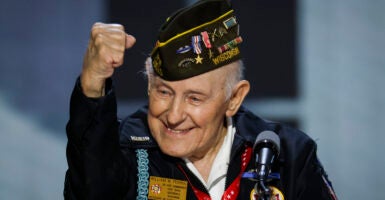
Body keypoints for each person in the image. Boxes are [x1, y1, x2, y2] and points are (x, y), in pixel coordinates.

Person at [64, 0, 337, 199]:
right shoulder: (124, 149)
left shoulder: (287, 155)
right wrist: (93, 81)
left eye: (194, 98)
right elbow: (91, 190)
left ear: (234, 98)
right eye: (164, 92)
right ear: (149, 85)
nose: (173, 115)